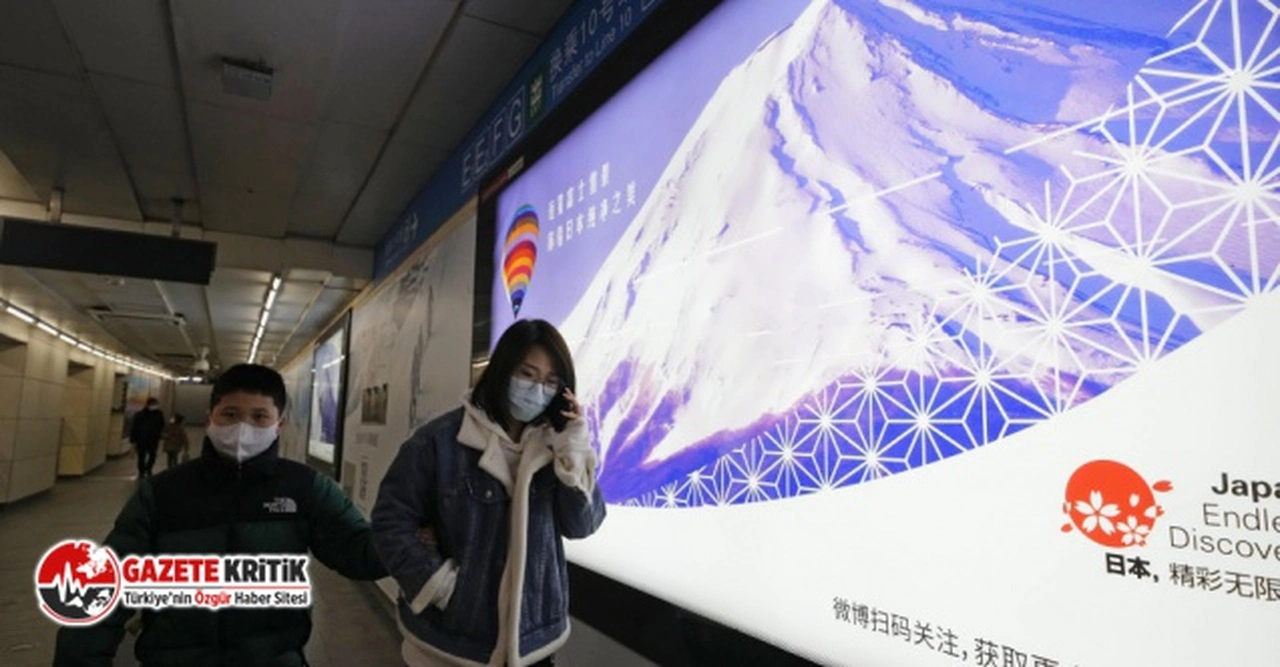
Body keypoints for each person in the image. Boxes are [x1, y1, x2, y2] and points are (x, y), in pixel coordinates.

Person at [55, 364, 388, 667]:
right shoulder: (163, 493)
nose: (243, 427)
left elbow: (358, 553)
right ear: (211, 415)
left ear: (280, 424)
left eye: (259, 417)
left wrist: (417, 532)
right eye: (230, 414)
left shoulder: (306, 489)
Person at [372, 319, 607, 667]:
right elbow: (390, 521)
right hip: (452, 645)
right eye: (527, 374)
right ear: (502, 370)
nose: (537, 388)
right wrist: (438, 586)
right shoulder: (437, 442)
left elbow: (581, 526)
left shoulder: (554, 448)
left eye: (550, 381)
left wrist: (573, 449)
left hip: (533, 645)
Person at [129, 397, 165, 478]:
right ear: (148, 404)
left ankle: (148, 468)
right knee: (141, 456)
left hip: (153, 439)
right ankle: (142, 471)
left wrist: (160, 434)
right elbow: (135, 427)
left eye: (155, 404)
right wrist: (133, 440)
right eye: (153, 404)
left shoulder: (159, 414)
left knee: (152, 455)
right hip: (142, 439)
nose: (154, 406)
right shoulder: (140, 415)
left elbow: (162, 425)